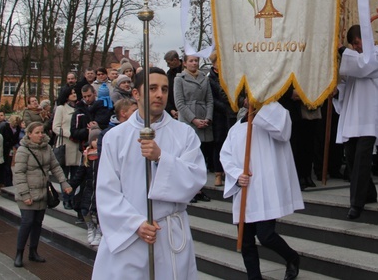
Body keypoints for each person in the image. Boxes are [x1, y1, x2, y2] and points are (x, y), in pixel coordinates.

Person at [92, 67, 206, 279]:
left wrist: (162, 158)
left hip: (169, 234)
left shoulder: (184, 134)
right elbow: (107, 190)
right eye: (152, 88)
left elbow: (195, 178)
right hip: (130, 234)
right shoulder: (115, 137)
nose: (159, 94)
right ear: (136, 94)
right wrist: (135, 224)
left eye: (164, 89)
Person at [220, 102, 303, 280]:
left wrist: (259, 111)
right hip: (245, 190)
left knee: (266, 236)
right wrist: (236, 174)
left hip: (265, 188)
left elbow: (283, 132)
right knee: (247, 242)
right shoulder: (236, 128)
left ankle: (291, 257)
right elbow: (225, 155)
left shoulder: (275, 111)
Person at [333, 24, 378, 219]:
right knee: (352, 156)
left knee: (362, 157)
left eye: (357, 42)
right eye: (353, 45)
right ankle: (369, 193)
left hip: (371, 116)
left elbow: (363, 66)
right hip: (354, 115)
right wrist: (336, 90)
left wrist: (342, 50)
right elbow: (348, 82)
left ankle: (356, 204)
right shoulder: (356, 58)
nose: (356, 47)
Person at [12, 121, 72, 267]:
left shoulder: (47, 148)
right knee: (27, 223)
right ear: (29, 134)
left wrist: (64, 182)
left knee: (38, 223)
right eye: (37, 132)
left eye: (42, 132)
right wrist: (25, 195)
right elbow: (19, 173)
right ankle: (19, 253)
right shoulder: (23, 150)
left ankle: (33, 251)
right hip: (27, 194)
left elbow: (55, 166)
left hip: (43, 192)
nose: (40, 135)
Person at [174, 53, 213, 203]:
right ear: (184, 63)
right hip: (189, 120)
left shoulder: (205, 78)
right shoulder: (180, 79)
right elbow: (180, 103)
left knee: (201, 156)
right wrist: (194, 120)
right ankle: (188, 190)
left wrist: (208, 118)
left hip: (203, 118)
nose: (194, 63)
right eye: (191, 61)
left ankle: (199, 188)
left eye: (196, 60)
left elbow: (209, 100)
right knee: (188, 157)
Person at [53, 88, 82, 209]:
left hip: (77, 146)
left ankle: (73, 199)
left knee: (75, 176)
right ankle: (66, 199)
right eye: (71, 93)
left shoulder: (79, 108)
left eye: (75, 93)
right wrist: (69, 134)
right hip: (65, 145)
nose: (74, 95)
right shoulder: (61, 109)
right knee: (64, 176)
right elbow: (56, 127)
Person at [164, 50, 183, 119]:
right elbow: (167, 94)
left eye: (168, 63)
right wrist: (171, 109)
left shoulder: (186, 72)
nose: (167, 65)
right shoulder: (168, 75)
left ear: (175, 60)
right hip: (173, 112)